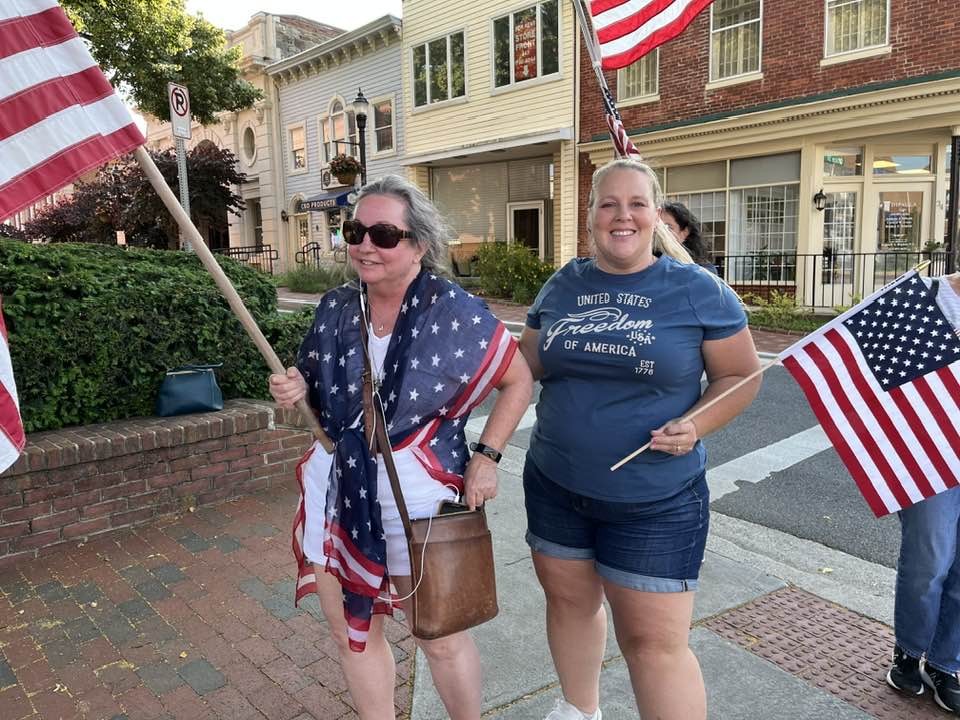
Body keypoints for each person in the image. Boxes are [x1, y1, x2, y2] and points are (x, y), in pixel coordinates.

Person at [269, 175, 533, 720]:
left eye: (384, 234)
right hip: (337, 488)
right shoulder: (336, 307)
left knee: (439, 635)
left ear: (419, 246)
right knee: (352, 633)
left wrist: (487, 457)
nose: (365, 245)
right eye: (355, 231)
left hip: (418, 491)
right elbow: (306, 411)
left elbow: (519, 380)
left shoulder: (452, 310)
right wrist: (292, 394)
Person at [518, 158, 762, 720]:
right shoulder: (564, 284)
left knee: (653, 646)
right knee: (570, 606)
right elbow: (524, 364)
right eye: (608, 204)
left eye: (636, 204)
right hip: (555, 486)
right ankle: (578, 713)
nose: (621, 216)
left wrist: (695, 424)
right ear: (590, 216)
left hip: (655, 502)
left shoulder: (698, 290)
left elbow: (741, 376)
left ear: (656, 215)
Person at [885, 271, 960, 714]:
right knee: (929, 559)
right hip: (929, 455)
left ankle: (947, 664)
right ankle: (910, 651)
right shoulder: (926, 294)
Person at [661, 201, 718, 273]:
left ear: (685, 232)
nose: (661, 231)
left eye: (668, 227)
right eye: (658, 226)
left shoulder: (703, 271)